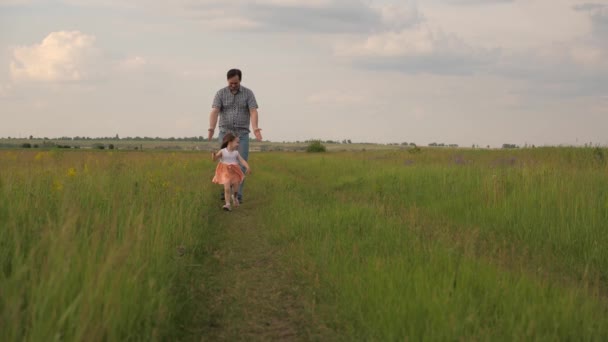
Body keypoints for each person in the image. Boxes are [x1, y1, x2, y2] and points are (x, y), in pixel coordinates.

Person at [208, 68, 262, 204]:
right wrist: (211, 128)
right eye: (230, 83)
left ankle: (237, 195)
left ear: (240, 81)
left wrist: (255, 128)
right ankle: (226, 190)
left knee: (240, 164)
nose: (233, 86)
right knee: (225, 163)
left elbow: (253, 111)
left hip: (242, 134)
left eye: (235, 83)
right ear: (227, 81)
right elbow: (215, 111)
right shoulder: (220, 93)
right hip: (225, 134)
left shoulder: (248, 93)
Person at [212, 133, 251, 211]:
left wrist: (247, 167)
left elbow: (242, 160)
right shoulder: (222, 151)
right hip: (225, 172)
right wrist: (213, 155)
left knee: (235, 189)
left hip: (234, 172)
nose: (238, 144)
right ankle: (227, 204)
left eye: (238, 142)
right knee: (227, 188)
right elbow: (214, 159)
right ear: (230, 142)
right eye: (237, 142)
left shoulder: (236, 153)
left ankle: (235, 197)